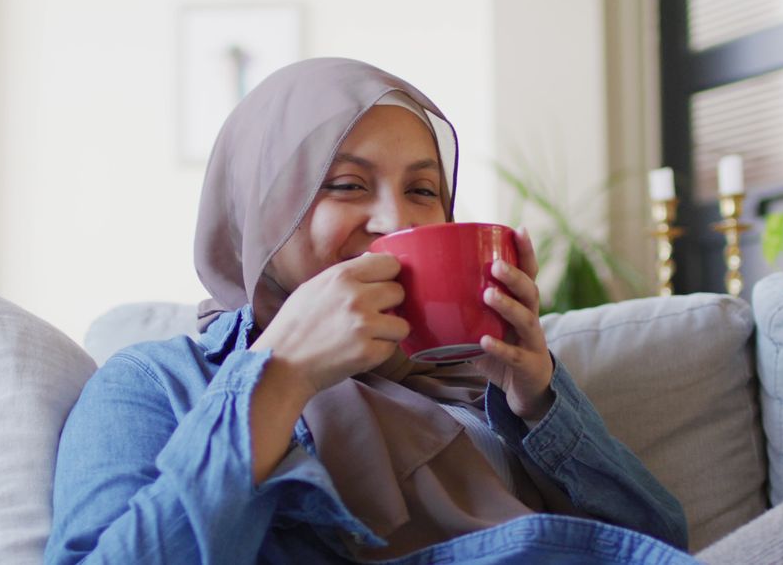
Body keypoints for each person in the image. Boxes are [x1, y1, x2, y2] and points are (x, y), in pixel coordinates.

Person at [45, 57, 694, 564]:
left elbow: (664, 541)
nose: (395, 221)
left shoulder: (482, 381)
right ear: (260, 213)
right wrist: (282, 374)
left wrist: (540, 399)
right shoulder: (157, 383)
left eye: (423, 189)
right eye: (348, 185)